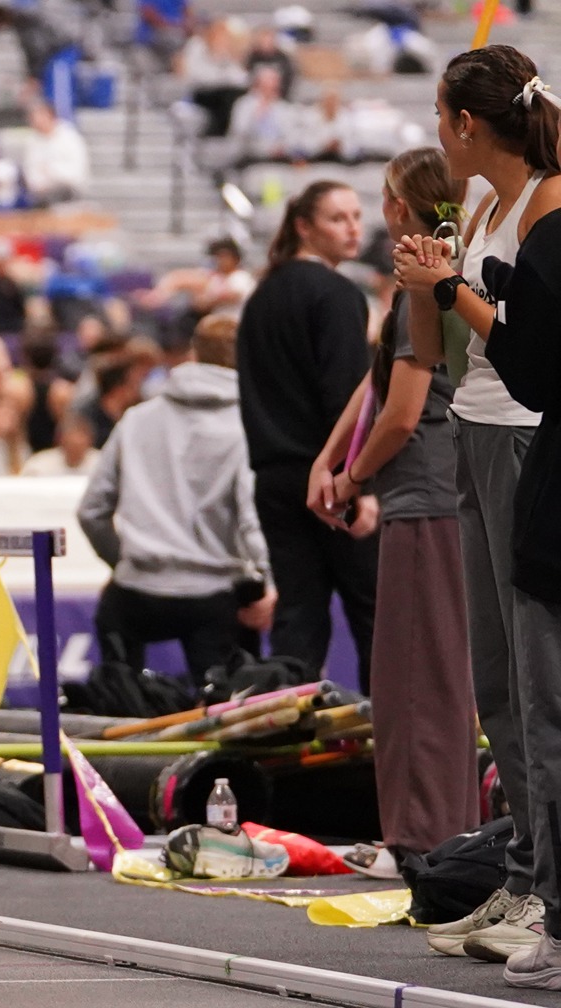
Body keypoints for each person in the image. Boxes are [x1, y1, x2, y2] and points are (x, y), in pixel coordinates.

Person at [391, 44, 561, 964]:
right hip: (478, 424)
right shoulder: (491, 202)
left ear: (466, 122)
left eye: (438, 118)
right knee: (496, 678)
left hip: (525, 436)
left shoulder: (545, 199)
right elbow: (446, 338)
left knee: (539, 683)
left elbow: (536, 346)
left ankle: (546, 895)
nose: (434, 137)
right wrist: (435, 281)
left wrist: (451, 286)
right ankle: (525, 875)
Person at [310, 147, 474, 877]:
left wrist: (350, 480)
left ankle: (423, 839)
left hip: (426, 497)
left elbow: (402, 413)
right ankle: (438, 834)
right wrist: (334, 457)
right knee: (430, 676)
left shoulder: (427, 281)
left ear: (398, 208)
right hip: (436, 494)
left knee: (417, 680)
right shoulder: (435, 274)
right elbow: (383, 383)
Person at [478, 129, 561, 991]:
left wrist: (464, 293)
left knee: (546, 709)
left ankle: (551, 905)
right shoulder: (507, 212)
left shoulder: (546, 219)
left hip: (531, 460)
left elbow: (535, 374)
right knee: (517, 693)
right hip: (500, 436)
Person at [236, 180, 375, 689]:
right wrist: (360, 482)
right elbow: (348, 397)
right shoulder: (335, 294)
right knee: (374, 614)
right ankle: (385, 752)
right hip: (331, 478)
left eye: (357, 216)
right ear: (303, 226)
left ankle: (292, 746)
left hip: (274, 477)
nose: (354, 227)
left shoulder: (260, 295)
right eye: (338, 217)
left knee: (298, 619)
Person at [80, 314, 272, 681]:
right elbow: (252, 520)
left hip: (134, 592)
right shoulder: (247, 426)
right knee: (228, 718)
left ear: (194, 354)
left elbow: (92, 511)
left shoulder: (136, 419)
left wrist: (125, 560)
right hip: (214, 596)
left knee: (120, 708)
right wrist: (271, 583)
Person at [17, 99, 90, 207]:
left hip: (68, 188)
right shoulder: (33, 140)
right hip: (40, 190)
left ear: (50, 116)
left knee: (56, 195)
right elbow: (30, 169)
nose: (37, 122)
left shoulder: (69, 138)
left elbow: (78, 172)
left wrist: (51, 171)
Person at [21, 414, 98, 476]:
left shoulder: (100, 463)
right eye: (70, 441)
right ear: (60, 440)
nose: (75, 443)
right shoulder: (38, 465)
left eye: (81, 438)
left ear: (90, 440)